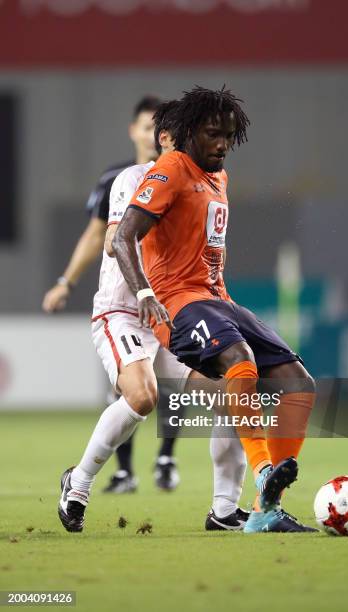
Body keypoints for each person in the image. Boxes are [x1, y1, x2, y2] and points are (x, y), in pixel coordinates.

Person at [113, 86, 318, 533]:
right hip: (175, 304)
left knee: (298, 383)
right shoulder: (171, 168)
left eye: (228, 136)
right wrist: (145, 294)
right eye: (212, 134)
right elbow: (122, 236)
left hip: (216, 299)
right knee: (238, 363)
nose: (223, 144)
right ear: (188, 133)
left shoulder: (217, 176)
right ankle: (263, 473)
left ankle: (268, 507)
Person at [57, 100, 249, 534]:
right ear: (168, 138)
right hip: (124, 309)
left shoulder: (204, 182)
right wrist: (128, 238)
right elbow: (113, 242)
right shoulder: (134, 178)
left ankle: (223, 508)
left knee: (230, 389)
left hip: (172, 312)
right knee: (143, 396)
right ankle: (79, 483)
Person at [42, 95, 183, 492]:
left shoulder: (194, 180)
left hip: (167, 304)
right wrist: (66, 281)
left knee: (205, 385)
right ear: (145, 133)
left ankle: (178, 467)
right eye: (147, 126)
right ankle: (116, 471)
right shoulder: (121, 179)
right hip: (126, 304)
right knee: (133, 391)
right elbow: (102, 238)